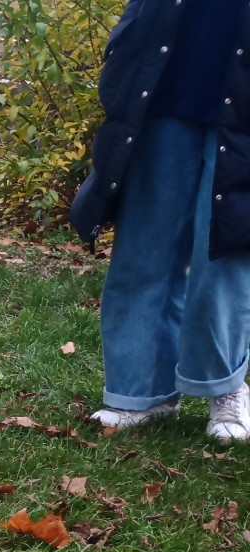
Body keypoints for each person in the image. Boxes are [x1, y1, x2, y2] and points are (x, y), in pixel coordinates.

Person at [69, 0, 250, 443]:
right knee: (142, 249)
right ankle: (138, 393)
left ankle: (225, 386)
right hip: (163, 85)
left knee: (223, 253)